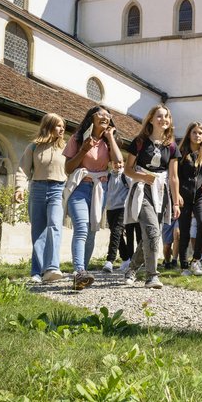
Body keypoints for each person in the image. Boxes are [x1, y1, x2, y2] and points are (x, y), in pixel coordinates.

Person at [63, 106, 123, 290]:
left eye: (108, 115)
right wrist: (83, 150)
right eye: (101, 114)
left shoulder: (110, 141)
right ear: (91, 117)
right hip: (80, 187)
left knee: (91, 231)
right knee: (81, 227)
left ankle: (83, 274)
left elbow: (118, 162)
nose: (105, 117)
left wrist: (110, 136)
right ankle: (79, 271)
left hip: (100, 189)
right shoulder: (78, 138)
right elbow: (68, 168)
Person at [123, 104, 181, 288]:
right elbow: (127, 169)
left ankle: (132, 268)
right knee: (153, 232)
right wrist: (143, 177)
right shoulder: (139, 142)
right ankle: (152, 276)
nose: (164, 119)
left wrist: (176, 201)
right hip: (142, 190)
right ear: (150, 119)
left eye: (167, 117)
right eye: (159, 116)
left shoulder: (171, 146)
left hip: (161, 192)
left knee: (152, 235)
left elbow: (173, 176)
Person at [14, 113, 67, 284]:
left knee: (54, 226)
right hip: (37, 188)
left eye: (63, 125)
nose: (62, 128)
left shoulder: (66, 148)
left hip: (58, 189)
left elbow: (72, 169)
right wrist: (19, 188)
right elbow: (23, 169)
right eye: (58, 125)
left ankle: (52, 268)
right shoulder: (33, 147)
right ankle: (37, 271)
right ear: (48, 126)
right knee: (38, 231)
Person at [177, 121, 202, 276]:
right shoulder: (180, 153)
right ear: (189, 134)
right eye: (194, 132)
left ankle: (196, 260)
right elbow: (175, 176)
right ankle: (184, 266)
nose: (197, 135)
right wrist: (176, 195)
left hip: (201, 196)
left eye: (200, 133)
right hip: (183, 196)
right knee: (184, 231)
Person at [103, 161, 137, 273]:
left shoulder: (125, 175)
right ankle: (126, 258)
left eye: (121, 162)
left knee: (116, 232)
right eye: (116, 163)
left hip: (122, 208)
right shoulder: (108, 176)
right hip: (110, 209)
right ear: (111, 164)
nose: (119, 165)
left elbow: (134, 187)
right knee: (116, 234)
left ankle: (110, 260)